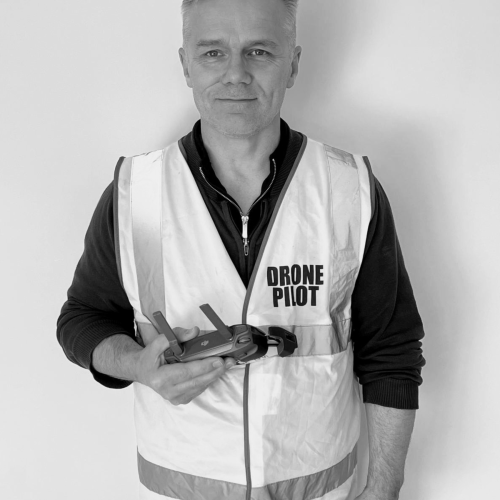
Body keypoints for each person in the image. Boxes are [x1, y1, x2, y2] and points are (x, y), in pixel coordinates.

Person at [57, 0, 425, 498]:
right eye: (212, 52)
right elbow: (81, 320)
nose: (236, 74)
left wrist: (382, 490)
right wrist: (138, 365)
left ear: (292, 64)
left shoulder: (348, 189)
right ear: (185, 63)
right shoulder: (136, 193)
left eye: (259, 51)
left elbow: (392, 351)